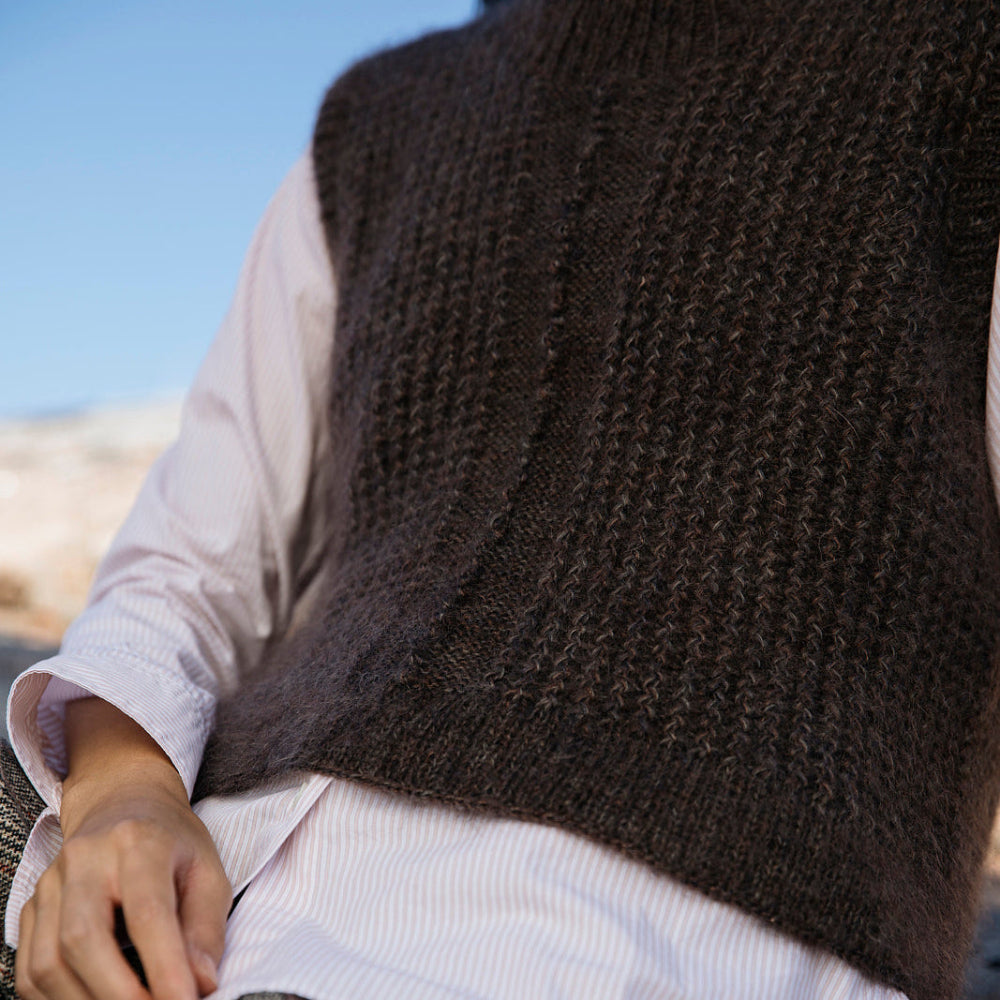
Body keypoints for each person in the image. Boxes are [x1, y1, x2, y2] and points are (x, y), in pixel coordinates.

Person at [3, 0, 1000, 998]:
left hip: (653, 949)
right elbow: (185, 572)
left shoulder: (959, 75)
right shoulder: (371, 124)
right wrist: (123, 788)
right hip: (220, 909)